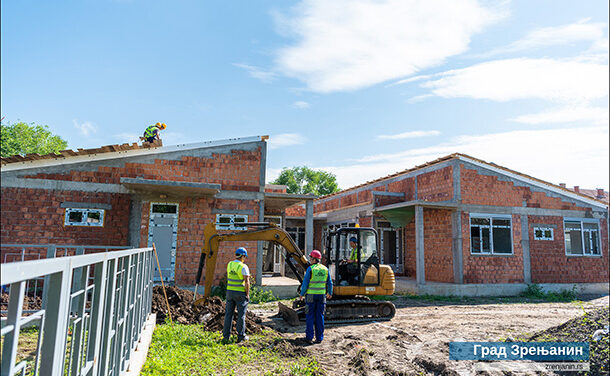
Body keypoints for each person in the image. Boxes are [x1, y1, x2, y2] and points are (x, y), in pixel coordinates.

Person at [299, 250, 333, 344]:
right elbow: (330, 282)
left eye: (310, 258)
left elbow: (305, 283)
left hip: (310, 296)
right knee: (320, 316)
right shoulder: (325, 269)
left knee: (309, 316)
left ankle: (309, 338)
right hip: (322, 296)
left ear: (314, 259)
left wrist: (302, 294)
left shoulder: (310, 269)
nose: (310, 259)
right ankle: (319, 338)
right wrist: (330, 292)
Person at [222, 247, 250, 343]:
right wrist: (247, 294)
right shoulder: (243, 267)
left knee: (228, 315)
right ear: (242, 256)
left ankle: (226, 336)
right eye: (244, 257)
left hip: (229, 292)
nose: (245, 258)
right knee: (241, 315)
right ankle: (241, 336)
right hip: (240, 294)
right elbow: (247, 282)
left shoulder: (230, 264)